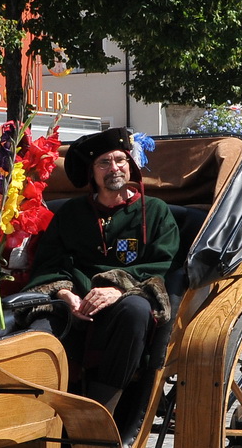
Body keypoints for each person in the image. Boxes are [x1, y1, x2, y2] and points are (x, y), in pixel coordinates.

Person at [24, 127, 181, 420]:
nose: (114, 168)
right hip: (74, 300)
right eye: (104, 163)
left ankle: (99, 415)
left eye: (120, 160)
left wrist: (118, 288)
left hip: (127, 297)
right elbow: (49, 262)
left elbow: (163, 262)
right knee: (39, 329)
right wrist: (64, 293)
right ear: (92, 172)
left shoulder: (155, 211)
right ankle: (36, 413)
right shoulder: (71, 213)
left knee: (136, 311)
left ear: (130, 164)